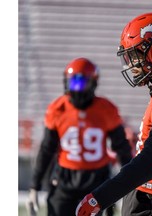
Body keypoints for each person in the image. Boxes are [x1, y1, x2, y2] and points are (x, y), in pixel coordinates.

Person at [75, 12, 152, 216]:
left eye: (135, 55)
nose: (131, 64)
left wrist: (101, 197)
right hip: (149, 196)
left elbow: (150, 161)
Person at [26, 57, 133, 216]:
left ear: (93, 83)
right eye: (73, 82)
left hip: (97, 180)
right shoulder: (58, 108)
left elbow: (121, 147)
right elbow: (46, 148)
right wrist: (34, 185)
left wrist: (132, 181)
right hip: (64, 178)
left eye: (81, 83)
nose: (76, 88)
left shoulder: (105, 109)